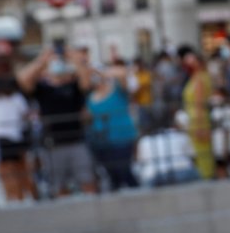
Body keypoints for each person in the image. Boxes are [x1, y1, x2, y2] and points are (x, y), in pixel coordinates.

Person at [17, 46, 95, 196]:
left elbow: (86, 81)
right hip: (52, 144)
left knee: (88, 181)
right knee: (58, 185)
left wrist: (72, 57)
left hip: (77, 140)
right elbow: (22, 80)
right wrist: (42, 60)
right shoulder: (42, 89)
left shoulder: (74, 86)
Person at [86, 59, 140, 190]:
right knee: (112, 175)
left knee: (124, 170)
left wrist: (99, 71)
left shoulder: (117, 89)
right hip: (101, 141)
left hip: (122, 137)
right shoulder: (90, 97)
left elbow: (122, 73)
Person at [177, 45, 215, 180]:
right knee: (200, 154)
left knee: (203, 154)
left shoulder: (199, 78)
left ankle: (207, 177)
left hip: (199, 121)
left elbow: (199, 103)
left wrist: (199, 126)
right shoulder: (198, 77)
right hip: (195, 120)